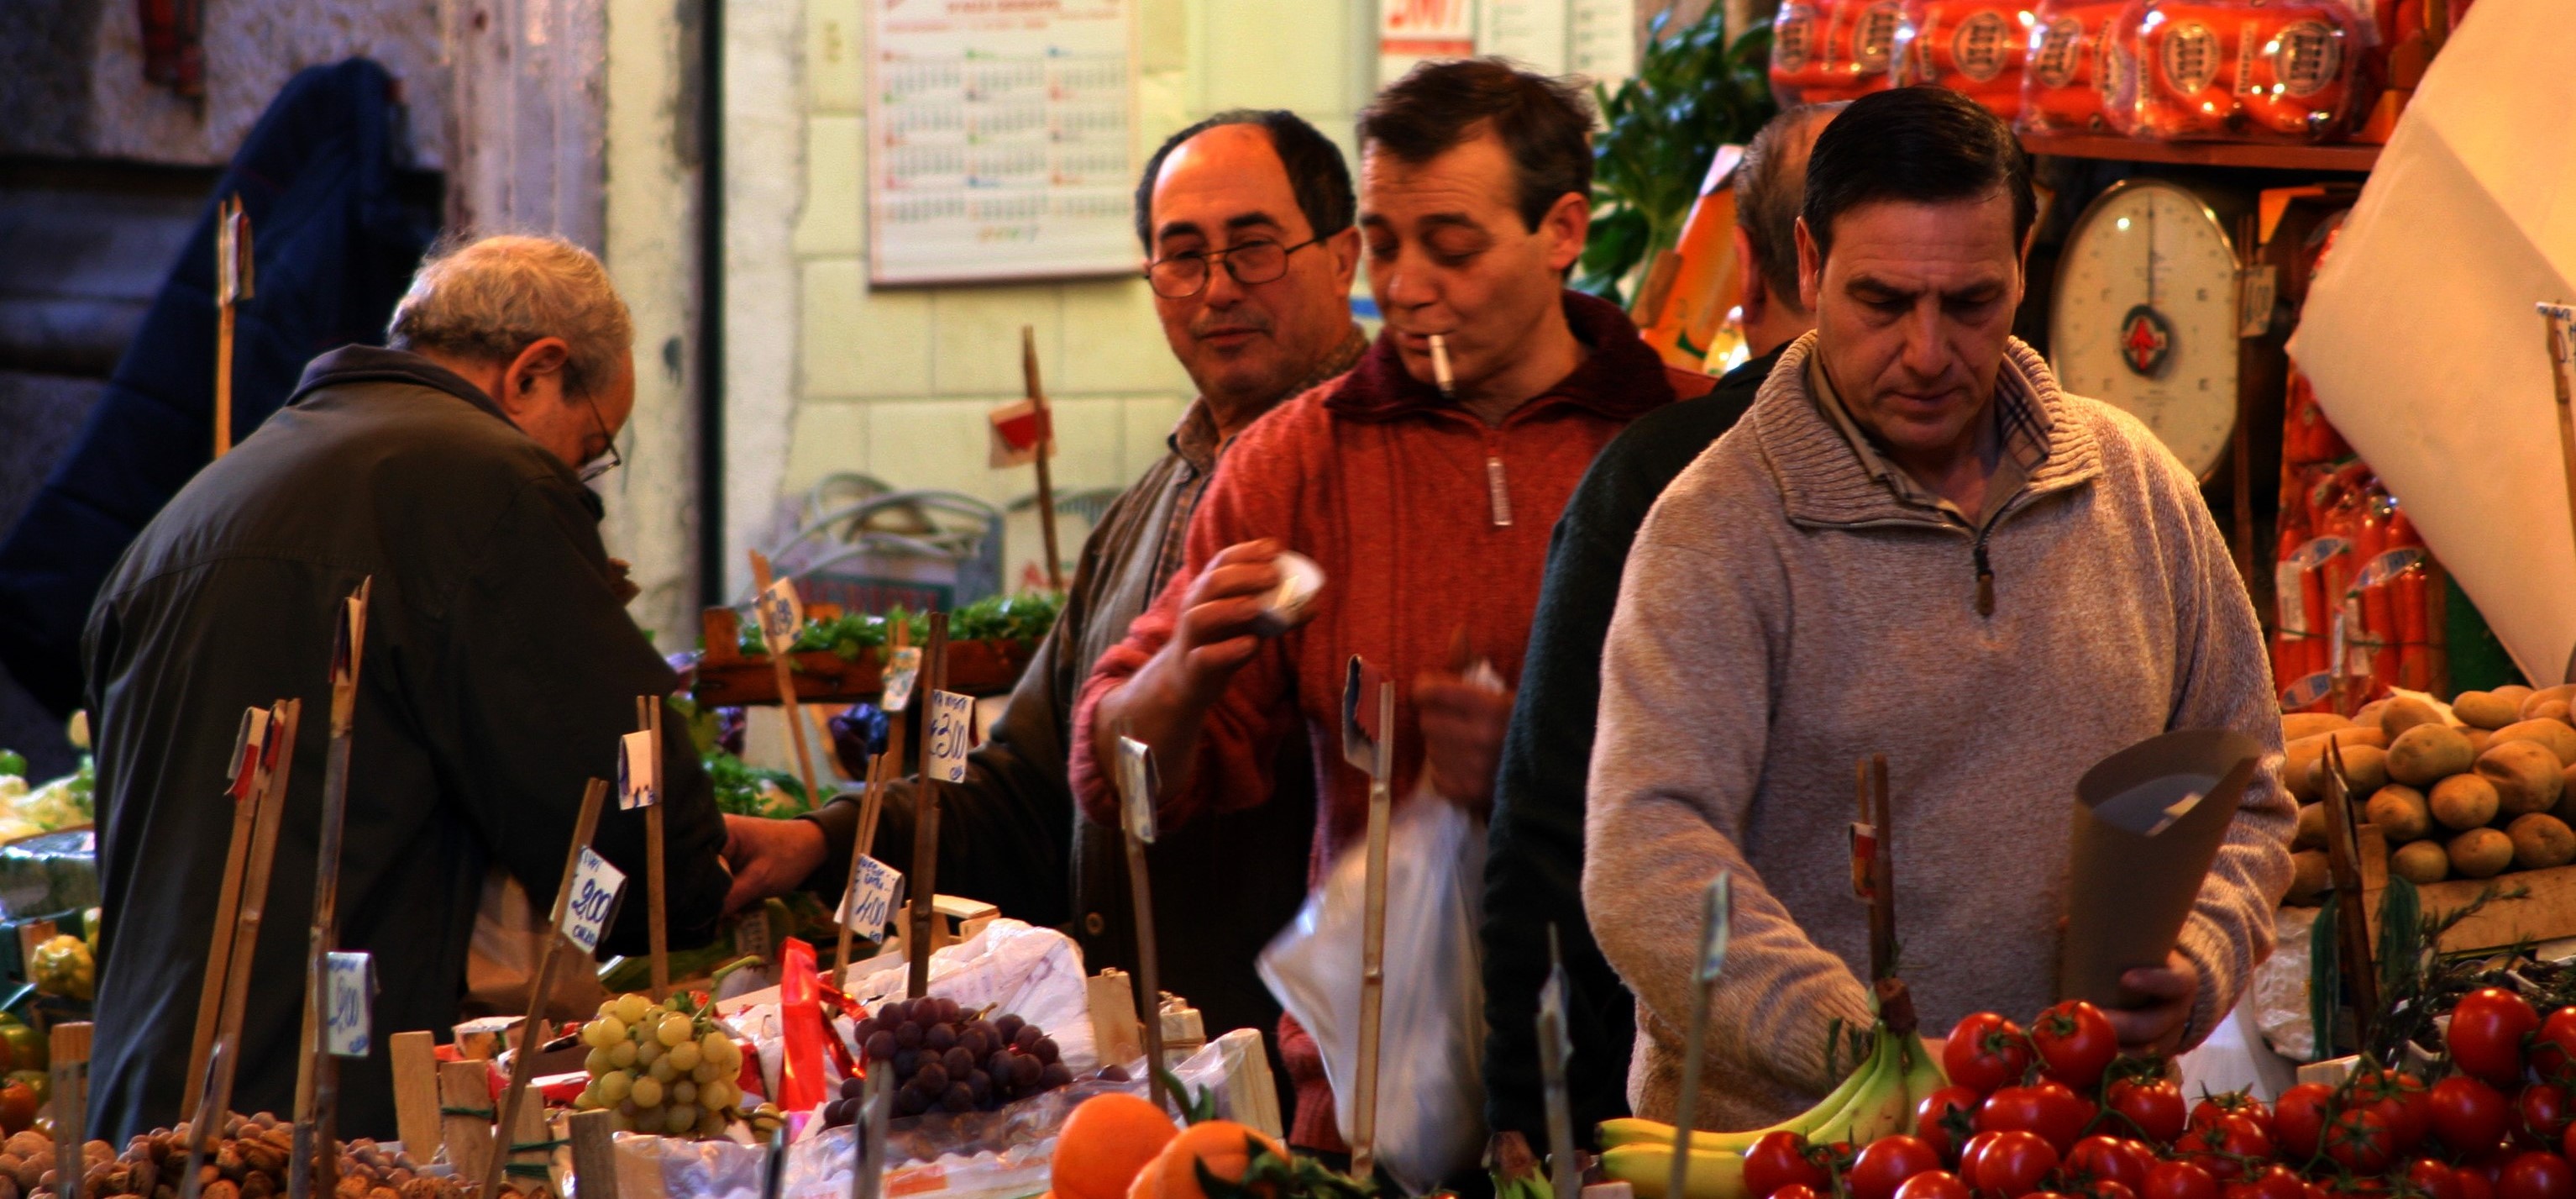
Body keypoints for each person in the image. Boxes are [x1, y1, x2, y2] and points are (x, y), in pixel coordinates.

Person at [1582, 87, 2294, 1130]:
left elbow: (2247, 787)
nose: (1926, 352)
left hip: (2084, 1140)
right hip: (1797, 1148)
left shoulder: (2137, 491)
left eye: (1969, 302)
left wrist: (2200, 951)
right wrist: (1860, 1053)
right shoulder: (1716, 532)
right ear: (1808, 264)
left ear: (2023, 261)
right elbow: (1646, 854)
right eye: (1881, 301)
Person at [1071, 58, 1715, 1159]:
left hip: (1651, 1094)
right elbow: (1119, 780)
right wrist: (1182, 666)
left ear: (1560, 229)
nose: (1406, 283)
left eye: (1451, 246)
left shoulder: (1686, 446)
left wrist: (1541, 768)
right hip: (1371, 1116)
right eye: (1380, 242)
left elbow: (1777, 768)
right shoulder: (1292, 462)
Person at [716, 110, 1368, 1081]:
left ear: (1344, 255)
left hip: (1312, 1084)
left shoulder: (1377, 483)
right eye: (1181, 256)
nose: (1218, 287)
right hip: (1142, 1086)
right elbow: (1029, 791)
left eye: (1254, 248)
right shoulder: (1149, 507)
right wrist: (827, 835)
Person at [81, 235, 770, 1140]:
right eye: (593, 448)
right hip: (328, 1109)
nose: (578, 478)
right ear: (535, 371)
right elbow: (601, 778)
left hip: (144, 1102)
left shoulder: (195, 510)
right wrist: (685, 872)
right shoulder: (486, 483)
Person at [1481, 102, 1842, 1176]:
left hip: (1697, 1114)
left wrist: (1534, 1102)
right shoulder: (2056, 473)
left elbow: (1549, 823)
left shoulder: (1657, 475)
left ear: (1753, 266)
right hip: (1977, 1094)